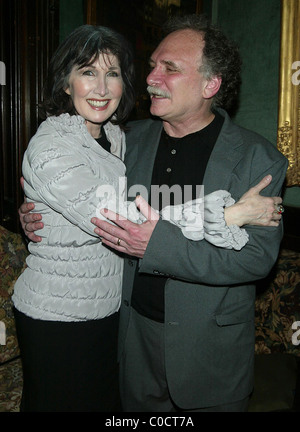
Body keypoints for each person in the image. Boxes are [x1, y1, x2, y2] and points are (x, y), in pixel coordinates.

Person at [18, 16, 287, 412]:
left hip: (206, 354)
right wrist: (35, 213)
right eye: (151, 66)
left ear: (211, 84)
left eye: (170, 69)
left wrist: (156, 244)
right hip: (127, 339)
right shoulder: (130, 138)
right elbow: (91, 201)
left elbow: (256, 258)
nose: (151, 78)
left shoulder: (258, 159)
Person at [12, 24, 137, 412]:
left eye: (111, 73)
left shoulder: (117, 136)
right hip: (57, 314)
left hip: (106, 307)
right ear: (66, 83)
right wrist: (227, 213)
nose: (101, 87)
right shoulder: (51, 148)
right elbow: (121, 222)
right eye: (87, 72)